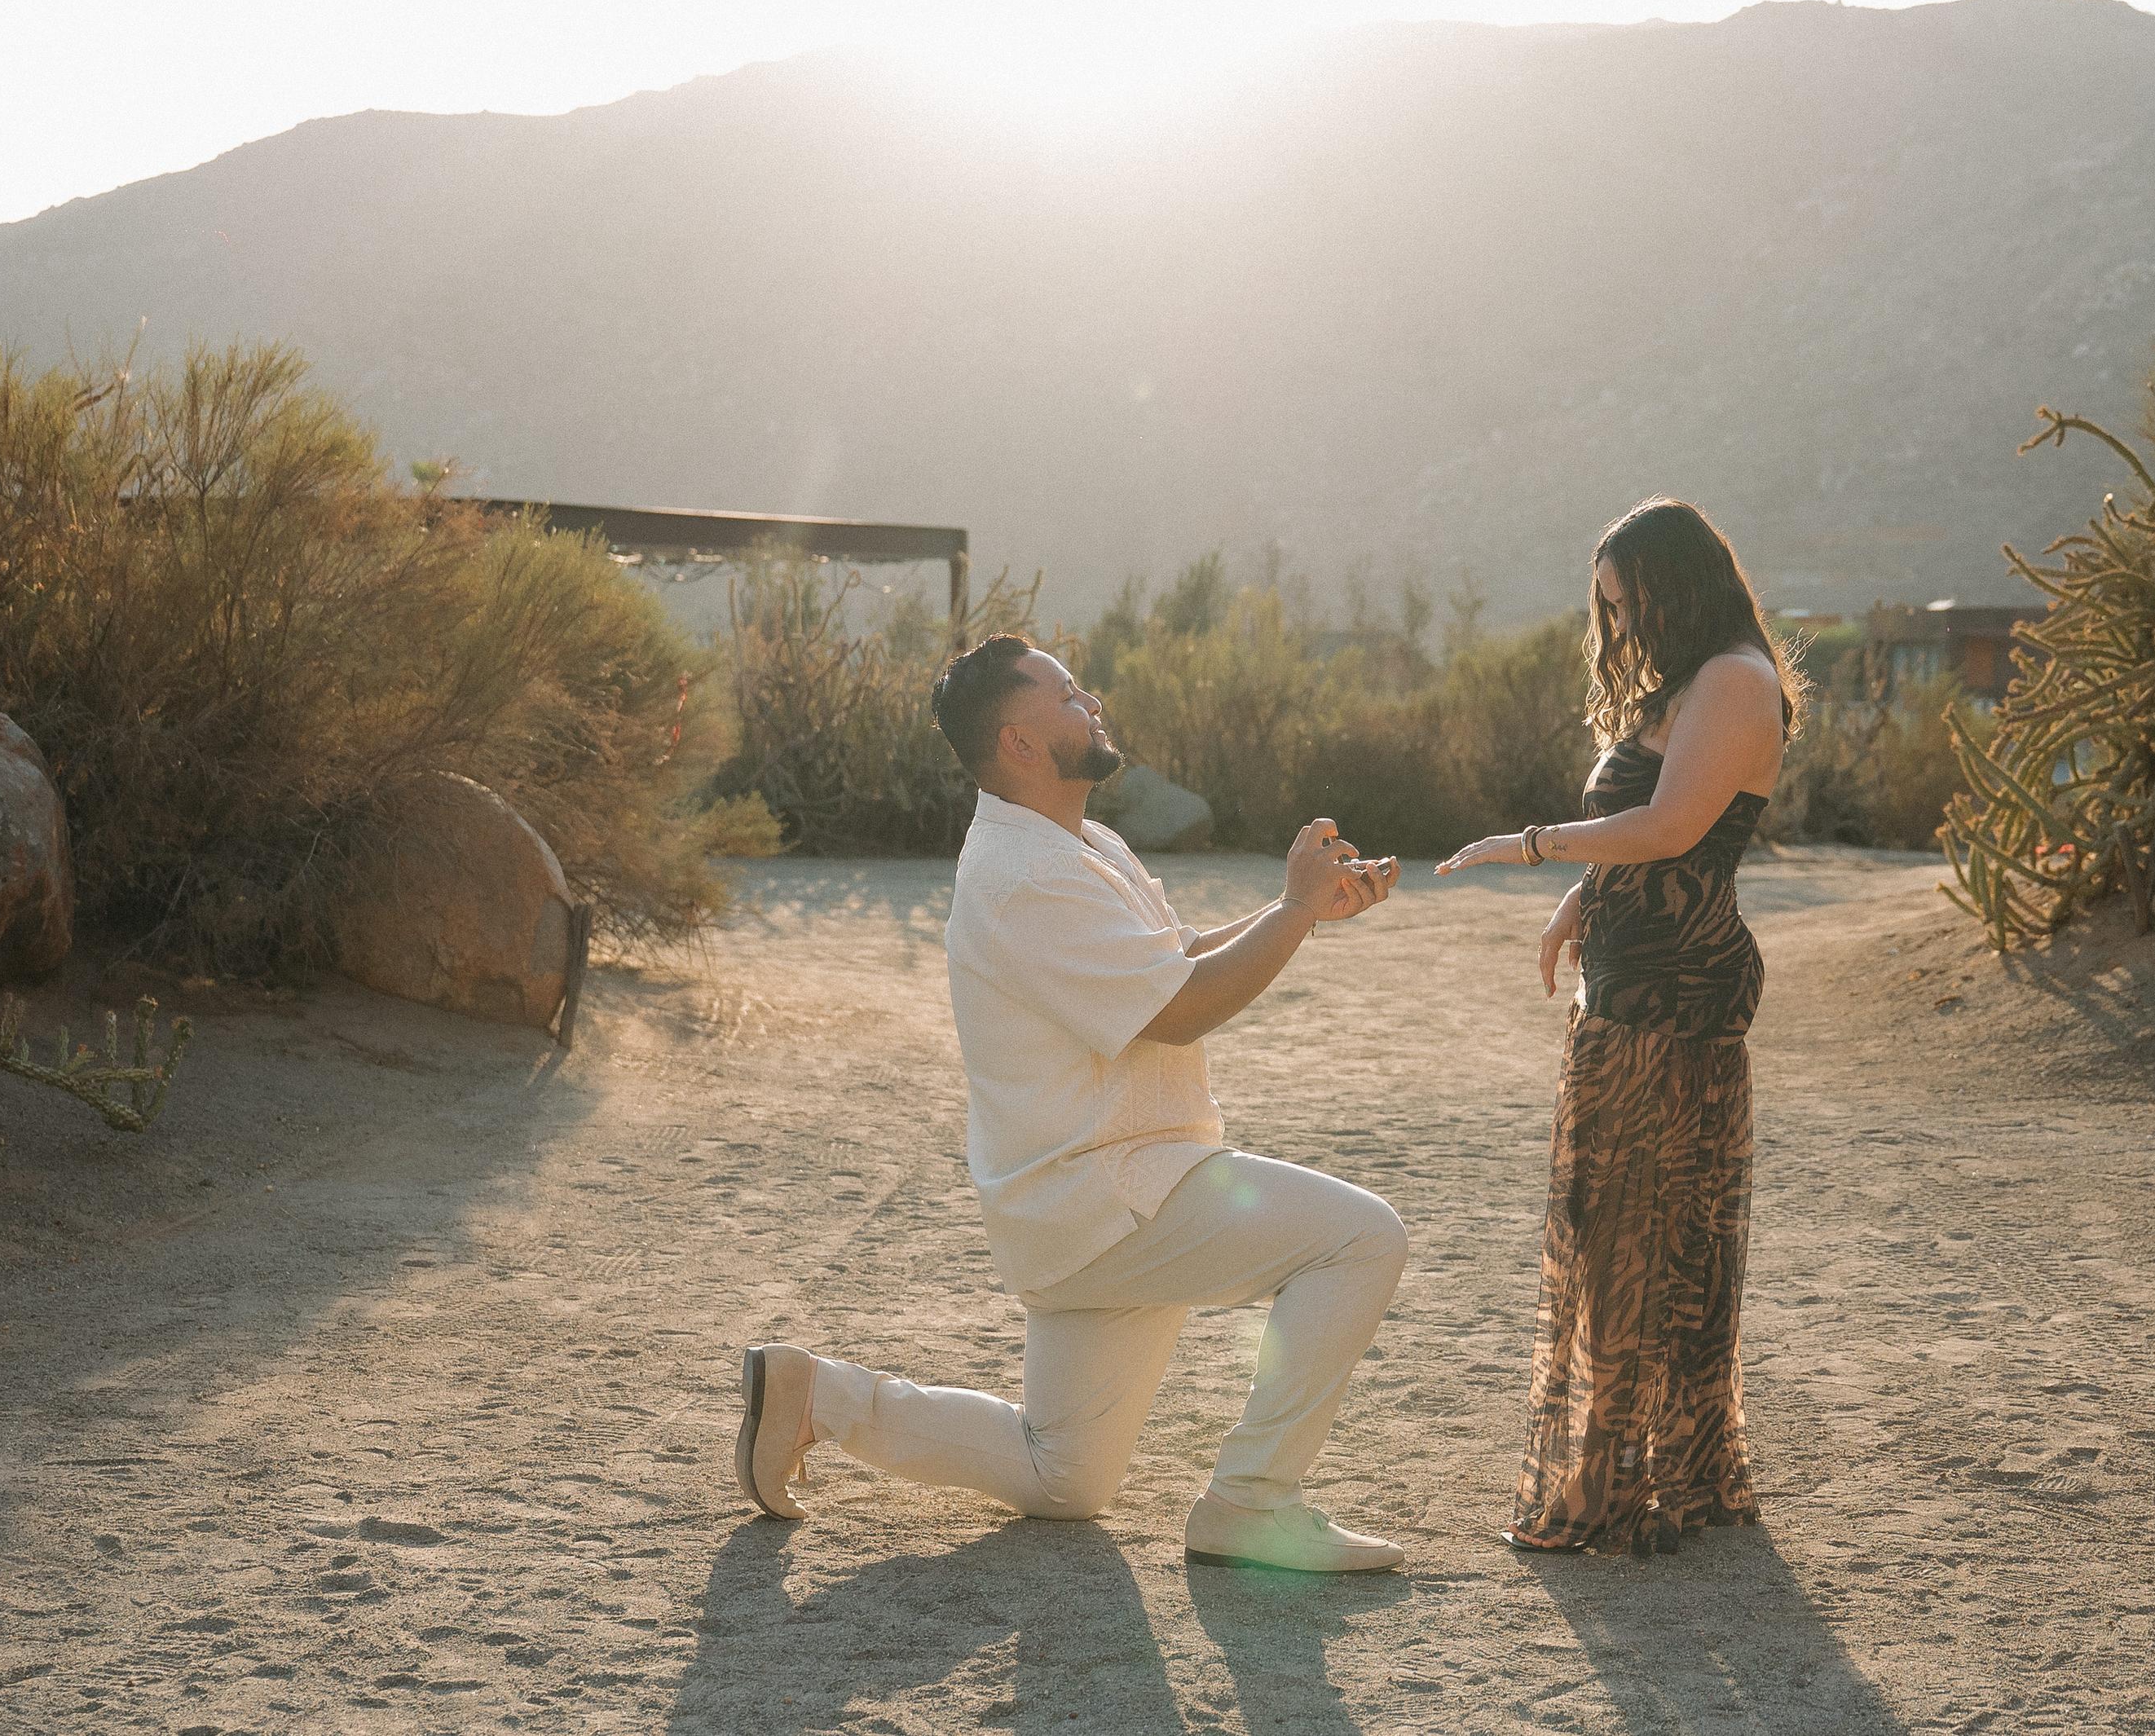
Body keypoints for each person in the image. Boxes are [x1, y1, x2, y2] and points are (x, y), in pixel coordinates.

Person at [738, 635, 1413, 1572]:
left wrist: (1303, 909)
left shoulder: (1075, 841)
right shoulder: (1025, 873)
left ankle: (821, 1397)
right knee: (1363, 1235)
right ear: (1018, 740)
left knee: (1064, 1479)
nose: (1090, 699)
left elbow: (1167, 957)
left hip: (1081, 1215)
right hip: (1119, 1196)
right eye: (1065, 694)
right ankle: (1253, 1501)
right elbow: (1178, 1008)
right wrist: (1292, 911)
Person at [1438, 497, 1799, 1553]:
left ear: (1679, 581)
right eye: (1611, 606)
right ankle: (1622, 1469)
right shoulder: (1689, 680)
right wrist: (1576, 904)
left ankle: (1641, 1479)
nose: (1626, 621)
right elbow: (1643, 844)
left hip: (1681, 994)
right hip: (1628, 985)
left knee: (1657, 1239)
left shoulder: (1735, 678)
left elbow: (1677, 825)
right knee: (1611, 1231)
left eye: (1633, 597)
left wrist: (1528, 844)